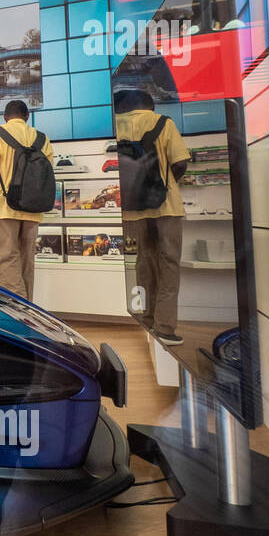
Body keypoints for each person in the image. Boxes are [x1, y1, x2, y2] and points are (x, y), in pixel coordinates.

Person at [114, 89, 190, 346]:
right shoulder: (163, 123)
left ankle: (147, 316)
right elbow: (180, 163)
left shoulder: (117, 125)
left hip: (132, 208)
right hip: (165, 207)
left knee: (143, 260)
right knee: (168, 263)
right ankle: (165, 327)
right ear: (149, 104)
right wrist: (162, 187)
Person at [0, 100, 56, 299]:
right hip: (33, 208)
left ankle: (19, 312)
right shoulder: (41, 138)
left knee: (7, 259)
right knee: (26, 262)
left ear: (5, 117)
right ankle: (29, 309)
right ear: (27, 116)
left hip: (3, 208)